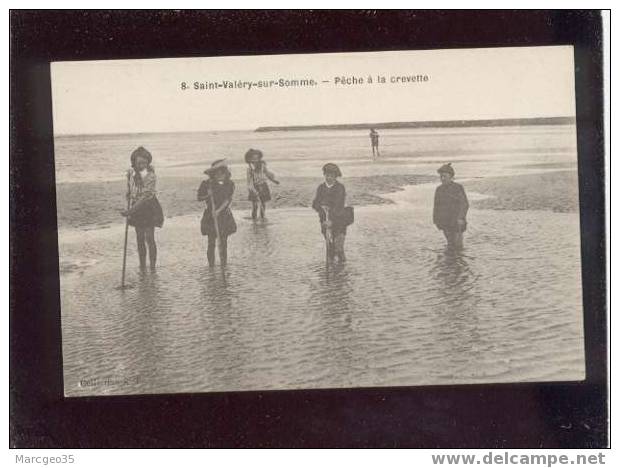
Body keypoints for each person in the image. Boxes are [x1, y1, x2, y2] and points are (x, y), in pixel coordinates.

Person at [121, 146, 164, 271]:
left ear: (148, 162)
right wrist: (128, 199)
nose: (142, 165)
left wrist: (130, 211)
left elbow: (145, 197)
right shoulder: (130, 173)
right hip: (136, 207)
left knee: (149, 238)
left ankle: (152, 267)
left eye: (144, 163)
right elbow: (129, 190)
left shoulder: (150, 175)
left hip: (149, 207)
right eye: (139, 163)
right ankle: (142, 266)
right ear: (134, 162)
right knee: (139, 238)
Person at [197, 159, 237, 267]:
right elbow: (199, 198)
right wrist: (207, 195)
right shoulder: (206, 184)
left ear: (225, 173)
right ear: (212, 174)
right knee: (211, 243)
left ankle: (223, 265)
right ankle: (211, 266)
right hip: (210, 215)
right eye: (216, 173)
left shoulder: (230, 184)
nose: (219, 175)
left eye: (222, 173)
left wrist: (218, 211)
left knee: (223, 243)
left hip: (224, 215)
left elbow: (228, 200)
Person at [312, 163, 349, 263]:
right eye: (327, 175)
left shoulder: (340, 188)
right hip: (324, 222)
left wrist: (331, 220)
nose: (329, 178)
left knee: (339, 247)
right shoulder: (321, 188)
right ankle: (331, 269)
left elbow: (339, 205)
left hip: (339, 222)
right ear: (324, 175)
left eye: (331, 176)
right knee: (330, 248)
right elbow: (315, 203)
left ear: (335, 176)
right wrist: (320, 207)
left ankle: (342, 271)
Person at [433, 163, 469, 251]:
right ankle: (450, 262)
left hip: (457, 222)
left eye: (444, 176)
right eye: (441, 176)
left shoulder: (458, 188)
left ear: (451, 176)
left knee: (458, 246)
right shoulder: (439, 189)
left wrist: (461, 218)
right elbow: (436, 206)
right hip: (445, 222)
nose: (442, 179)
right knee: (450, 244)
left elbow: (464, 204)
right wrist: (436, 220)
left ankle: (458, 262)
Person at [245, 148, 280, 220]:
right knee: (255, 205)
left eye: (257, 158)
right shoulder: (249, 169)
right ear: (249, 159)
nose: (255, 160)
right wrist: (253, 190)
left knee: (263, 204)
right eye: (253, 159)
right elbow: (249, 182)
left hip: (263, 186)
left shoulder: (262, 166)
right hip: (254, 187)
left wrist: (274, 180)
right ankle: (254, 219)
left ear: (259, 158)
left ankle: (262, 217)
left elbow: (267, 174)